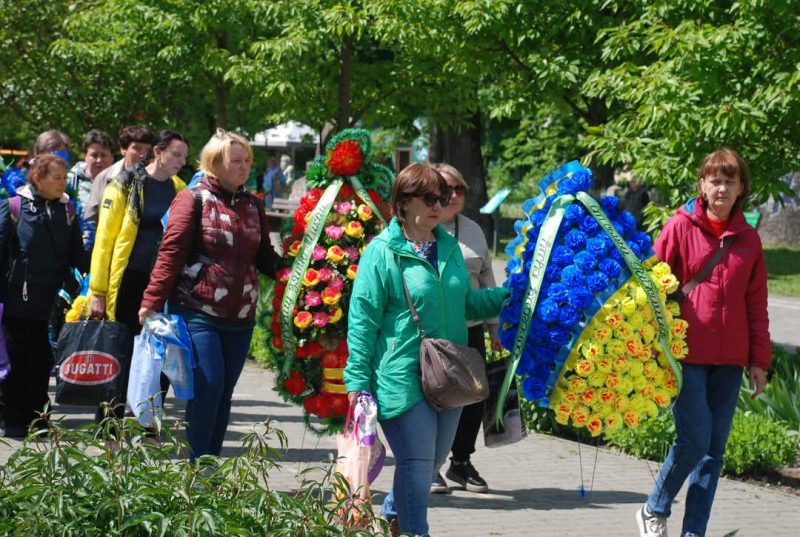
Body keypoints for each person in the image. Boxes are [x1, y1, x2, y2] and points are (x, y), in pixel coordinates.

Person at [344, 163, 507, 537]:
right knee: (418, 465)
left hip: (448, 376)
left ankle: (393, 517)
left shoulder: (448, 248)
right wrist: (357, 382)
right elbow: (363, 322)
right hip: (401, 376)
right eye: (430, 197)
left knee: (430, 461)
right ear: (403, 203)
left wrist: (508, 298)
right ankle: (418, 531)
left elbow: (465, 305)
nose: (440, 204)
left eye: (444, 197)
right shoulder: (382, 252)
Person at [636, 148, 771, 537]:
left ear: (742, 187)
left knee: (713, 453)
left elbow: (756, 304)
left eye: (730, 180)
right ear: (702, 184)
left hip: (729, 361)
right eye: (715, 179)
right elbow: (652, 287)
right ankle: (654, 507)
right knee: (695, 440)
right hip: (686, 356)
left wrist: (758, 361)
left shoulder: (749, 240)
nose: (722, 187)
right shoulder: (679, 227)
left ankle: (693, 533)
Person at [138, 129, 280, 459]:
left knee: (223, 393)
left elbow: (264, 256)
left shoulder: (252, 205)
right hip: (197, 311)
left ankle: (210, 468)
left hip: (240, 317)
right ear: (215, 163)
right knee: (209, 386)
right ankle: (197, 468)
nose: (244, 167)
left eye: (247, 161)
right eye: (236, 161)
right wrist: (151, 302)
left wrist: (297, 269)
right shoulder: (193, 199)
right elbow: (170, 254)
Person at [88, 129, 188, 420]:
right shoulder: (125, 184)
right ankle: (108, 423)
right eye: (176, 154)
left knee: (160, 355)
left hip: (161, 283)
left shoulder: (180, 188)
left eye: (184, 156)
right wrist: (98, 290)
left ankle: (148, 421)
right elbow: (104, 240)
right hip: (128, 279)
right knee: (120, 353)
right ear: (158, 152)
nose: (181, 161)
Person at [429, 163, 502, 495]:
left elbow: (487, 277)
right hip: (433, 330)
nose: (454, 195)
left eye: (459, 189)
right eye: (447, 189)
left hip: (471, 326)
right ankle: (428, 465)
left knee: (473, 397)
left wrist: (494, 327)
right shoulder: (418, 229)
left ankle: (460, 461)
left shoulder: (473, 229)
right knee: (434, 396)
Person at [0, 153, 85, 437]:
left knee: (42, 362)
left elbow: (77, 257)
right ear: (38, 178)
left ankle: (38, 418)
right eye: (56, 177)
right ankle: (11, 418)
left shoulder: (68, 211)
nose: (63, 183)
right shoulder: (14, 208)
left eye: (64, 177)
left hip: (51, 303)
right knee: (15, 360)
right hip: (15, 302)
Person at [85, 125, 156, 225]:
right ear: (123, 149)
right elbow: (91, 220)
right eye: (137, 148)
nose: (143, 155)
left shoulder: (159, 178)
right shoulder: (105, 178)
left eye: (147, 150)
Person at [67, 129, 115, 208]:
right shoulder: (71, 181)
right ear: (85, 156)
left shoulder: (121, 182)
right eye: (94, 155)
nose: (99, 160)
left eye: (103, 155)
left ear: (112, 157)